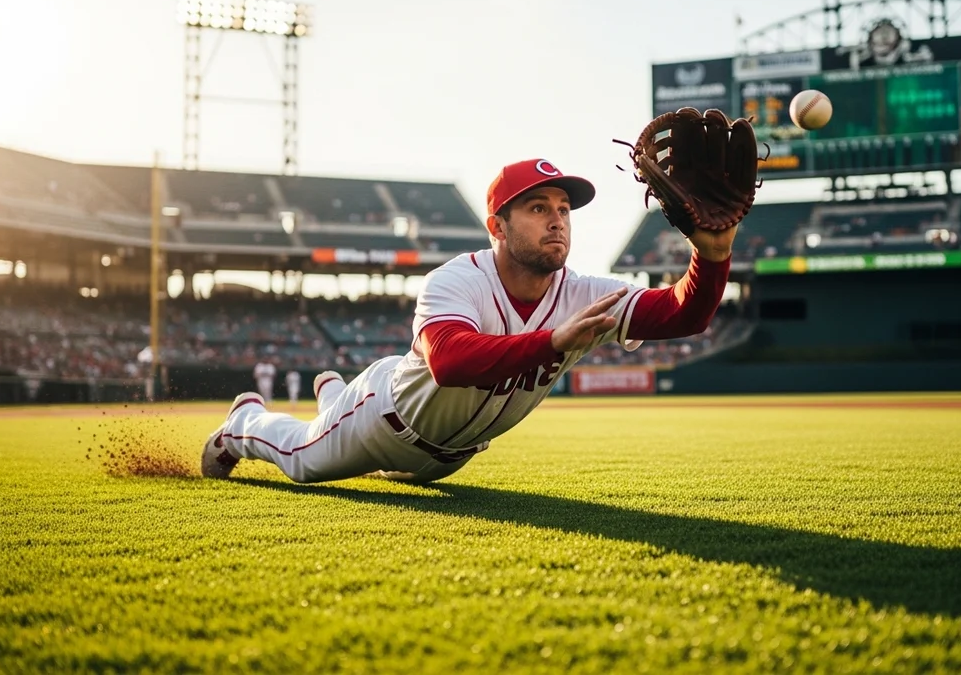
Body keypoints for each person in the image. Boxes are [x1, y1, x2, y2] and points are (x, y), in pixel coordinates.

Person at [201, 158, 734, 484]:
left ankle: (331, 395)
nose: (557, 220)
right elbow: (452, 362)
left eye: (564, 209)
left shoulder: (586, 295)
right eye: (538, 208)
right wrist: (552, 342)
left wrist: (712, 257)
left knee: (379, 454)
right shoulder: (455, 279)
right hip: (388, 420)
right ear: (497, 226)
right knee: (302, 459)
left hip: (453, 456)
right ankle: (243, 422)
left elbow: (683, 313)